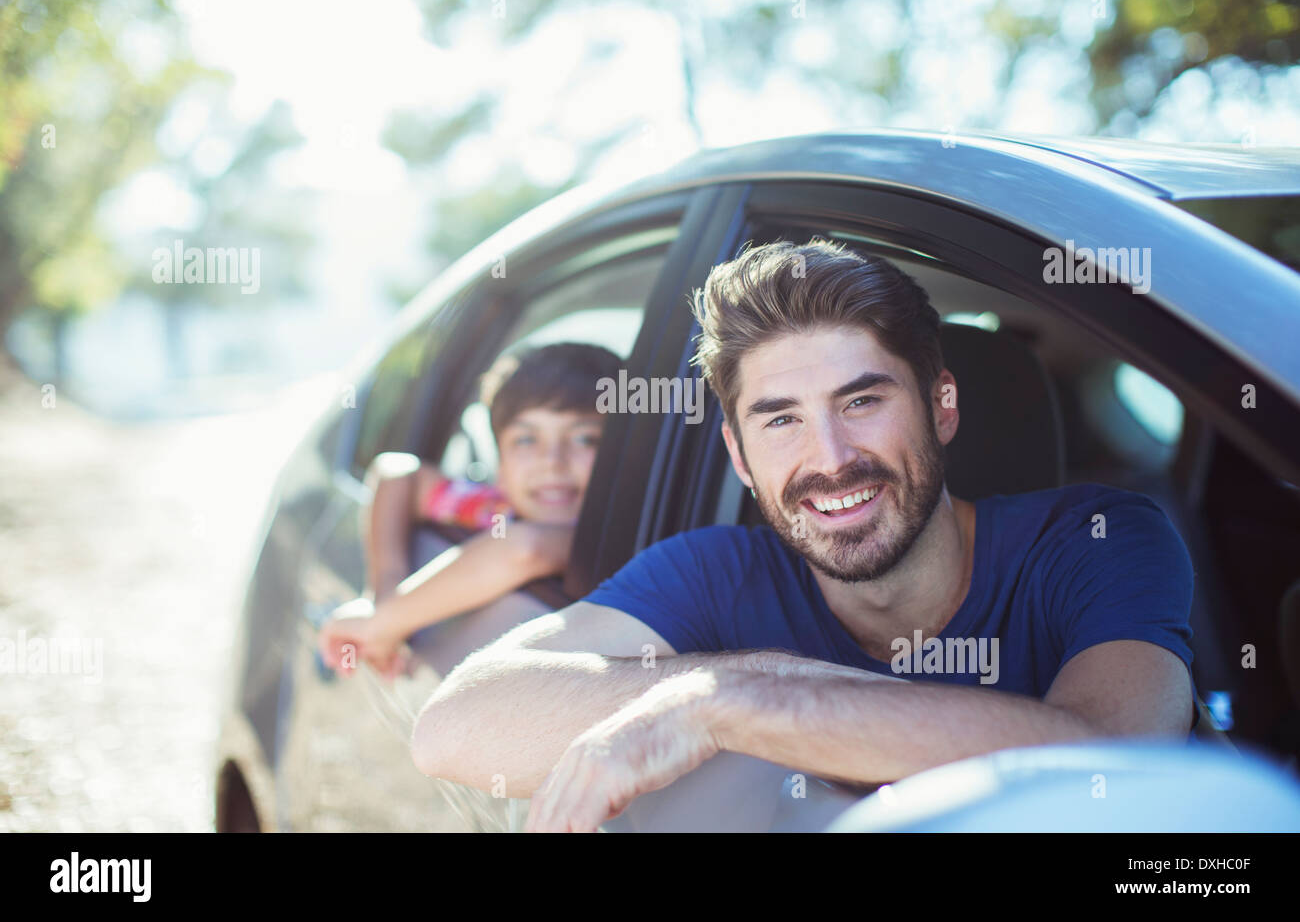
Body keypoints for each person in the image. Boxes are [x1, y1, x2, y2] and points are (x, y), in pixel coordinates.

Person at [409, 238, 1199, 832]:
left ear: (942, 406)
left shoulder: (1095, 540)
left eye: (862, 402)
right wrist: (747, 681)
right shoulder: (714, 574)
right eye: (780, 419)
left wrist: (735, 704)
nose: (829, 459)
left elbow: (1115, 769)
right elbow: (454, 726)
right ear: (739, 458)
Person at [317, 341, 622, 679]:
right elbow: (397, 472)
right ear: (501, 467)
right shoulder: (494, 508)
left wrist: (383, 623)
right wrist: (384, 590)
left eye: (585, 439)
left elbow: (527, 549)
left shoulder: (615, 535)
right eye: (525, 440)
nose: (552, 461)